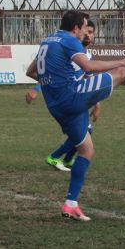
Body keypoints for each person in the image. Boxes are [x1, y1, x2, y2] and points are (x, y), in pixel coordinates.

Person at [26, 10, 125, 221]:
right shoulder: (69, 40)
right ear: (76, 28)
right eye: (84, 29)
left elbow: (31, 71)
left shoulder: (47, 41)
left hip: (56, 105)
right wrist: (121, 61)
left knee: (86, 151)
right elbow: (88, 66)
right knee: (123, 72)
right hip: (71, 96)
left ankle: (71, 204)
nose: (84, 34)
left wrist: (52, 82)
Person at [26, 19, 98, 172]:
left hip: (77, 97)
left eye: (91, 33)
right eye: (86, 31)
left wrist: (97, 104)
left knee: (85, 131)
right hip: (66, 98)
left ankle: (66, 160)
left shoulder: (85, 56)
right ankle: (55, 157)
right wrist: (36, 89)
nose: (87, 35)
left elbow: (88, 79)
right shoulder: (70, 52)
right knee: (82, 131)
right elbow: (53, 76)